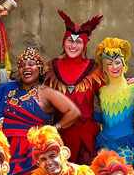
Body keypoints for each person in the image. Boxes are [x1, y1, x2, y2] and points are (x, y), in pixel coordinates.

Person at [0, 47, 80, 175]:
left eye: (31, 64)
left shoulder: (45, 92)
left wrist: (53, 129)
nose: (26, 68)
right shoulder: (7, 90)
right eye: (22, 65)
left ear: (40, 68)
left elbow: (73, 112)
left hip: (33, 152)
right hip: (7, 150)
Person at [44, 10, 104, 163]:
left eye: (78, 42)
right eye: (70, 41)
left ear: (84, 45)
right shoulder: (52, 67)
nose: (73, 45)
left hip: (87, 136)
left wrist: (126, 84)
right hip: (60, 135)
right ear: (63, 42)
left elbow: (108, 94)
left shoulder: (94, 69)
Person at [94, 37, 134, 167]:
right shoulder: (102, 91)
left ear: (124, 64)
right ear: (104, 68)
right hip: (104, 143)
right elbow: (104, 118)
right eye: (109, 64)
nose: (114, 67)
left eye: (117, 62)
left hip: (129, 145)